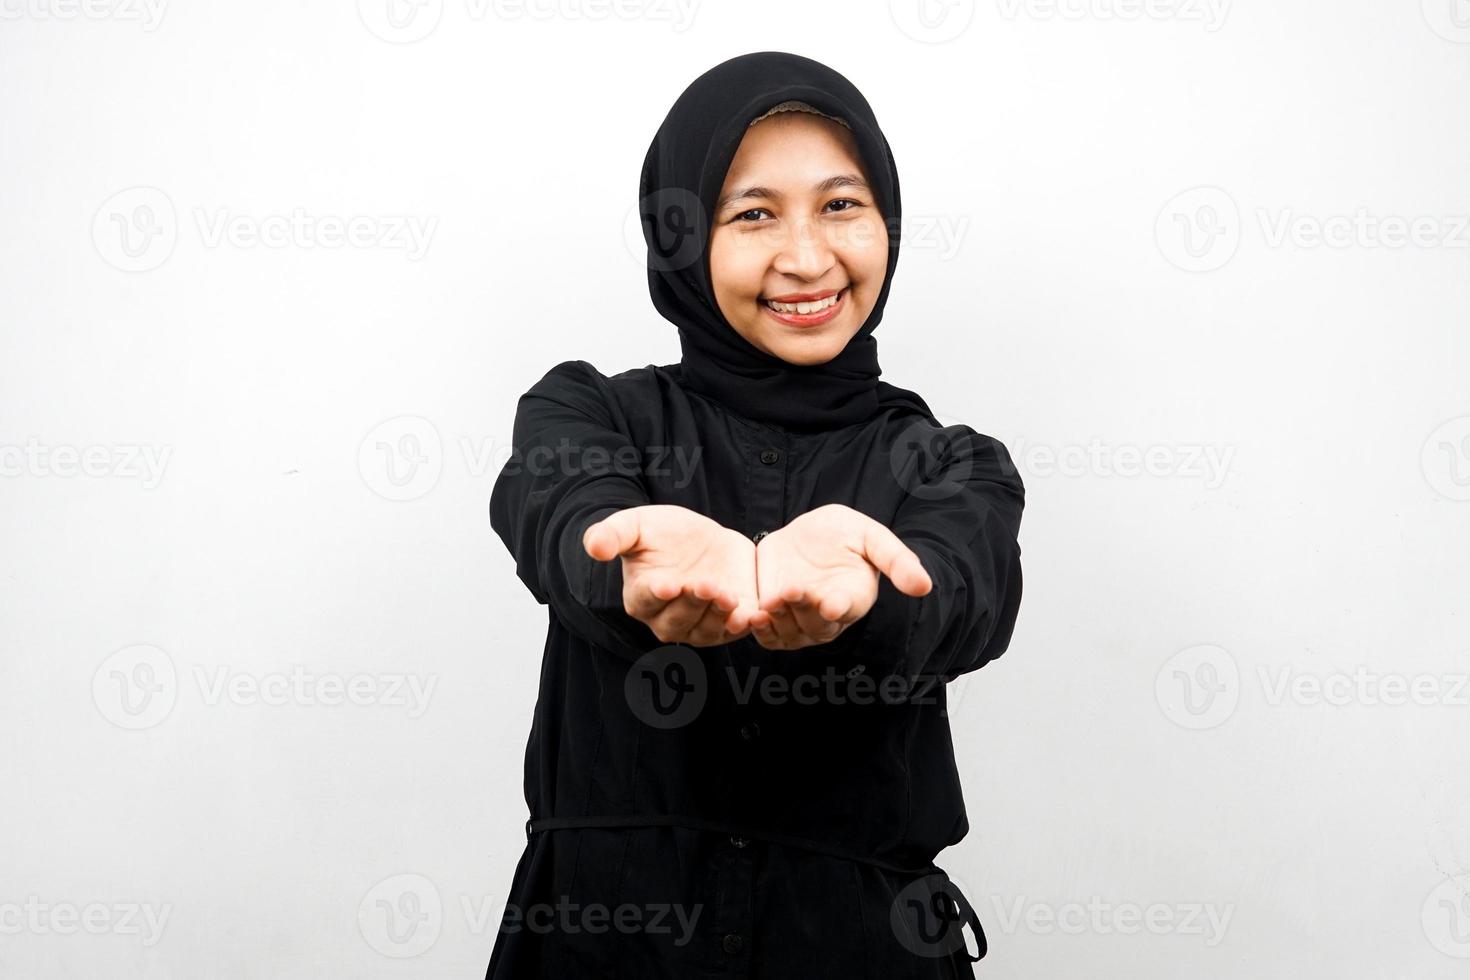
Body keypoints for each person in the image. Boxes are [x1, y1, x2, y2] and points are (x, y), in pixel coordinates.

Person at [485, 50, 1025, 980]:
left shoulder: (949, 465)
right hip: (604, 952)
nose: (808, 257)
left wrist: (871, 598)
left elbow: (966, 598)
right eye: (754, 214)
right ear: (682, 234)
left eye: (842, 205)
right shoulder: (589, 415)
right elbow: (557, 509)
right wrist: (626, 569)